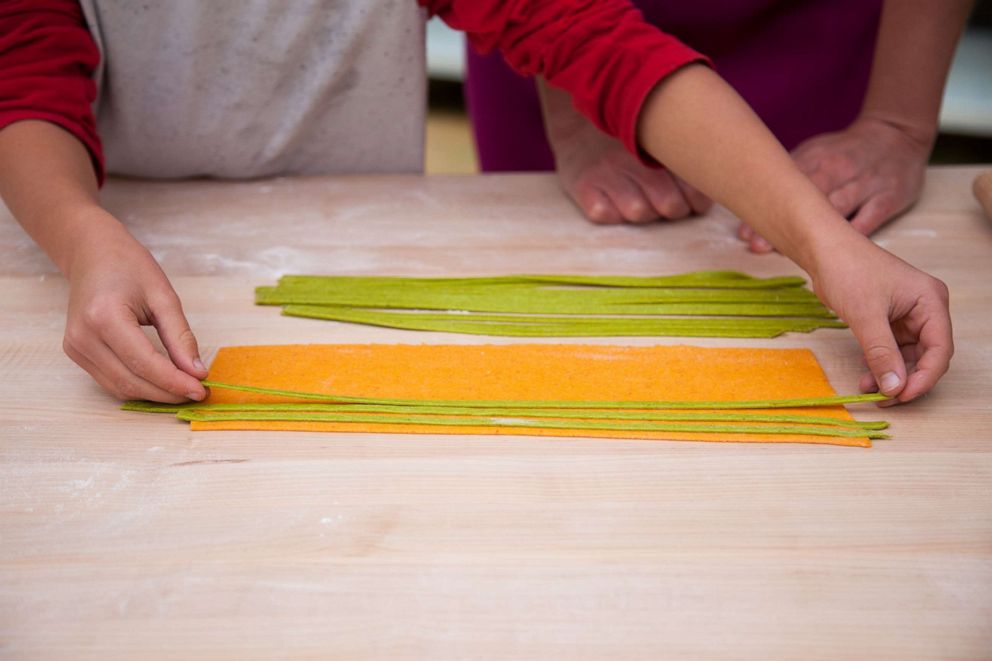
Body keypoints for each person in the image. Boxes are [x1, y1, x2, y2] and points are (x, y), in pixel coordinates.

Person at [0, 0, 954, 407]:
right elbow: (26, 80)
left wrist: (823, 245)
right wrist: (83, 238)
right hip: (98, 225)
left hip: (366, 227)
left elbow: (590, 36)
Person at [466, 0, 971, 252]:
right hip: (557, 39)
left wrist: (896, 122)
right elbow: (543, 14)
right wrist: (579, 108)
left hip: (819, 35)